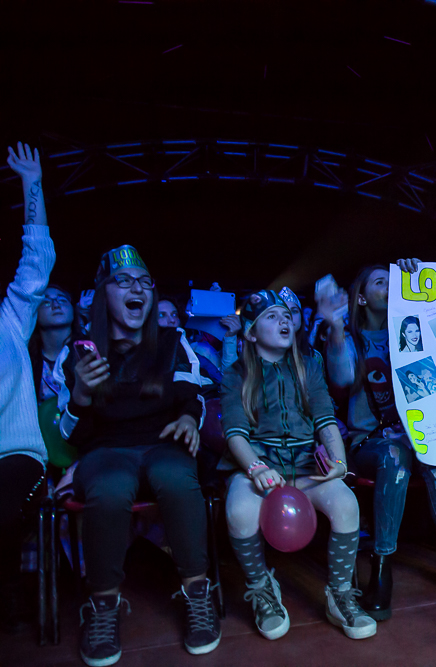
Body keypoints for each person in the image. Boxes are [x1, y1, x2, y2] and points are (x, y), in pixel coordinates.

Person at [59, 245, 220, 665]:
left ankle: (197, 595)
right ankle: (103, 607)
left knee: (175, 476)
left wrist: (188, 420)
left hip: (164, 442)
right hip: (107, 449)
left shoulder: (172, 341)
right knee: (110, 487)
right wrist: (79, 394)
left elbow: (196, 397)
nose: (138, 289)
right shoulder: (78, 352)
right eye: (124, 281)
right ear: (101, 294)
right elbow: (68, 433)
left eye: (145, 282)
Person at [321, 263, 436, 617]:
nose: (391, 285)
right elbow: (340, 378)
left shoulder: (416, 331)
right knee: (395, 456)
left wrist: (419, 279)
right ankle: (381, 566)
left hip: (418, 437)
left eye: (393, 280)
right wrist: (335, 328)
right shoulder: (351, 338)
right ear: (363, 297)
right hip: (369, 442)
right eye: (382, 281)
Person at [221, 290, 375, 641]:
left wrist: (338, 461)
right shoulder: (235, 373)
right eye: (272, 317)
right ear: (250, 332)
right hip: (260, 464)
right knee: (240, 511)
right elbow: (234, 433)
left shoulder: (309, 365)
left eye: (287, 315)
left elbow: (326, 419)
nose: (285, 320)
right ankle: (262, 590)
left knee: (347, 504)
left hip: (305, 465)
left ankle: (339, 596)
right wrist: (256, 469)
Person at [0, 143, 55, 634]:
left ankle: (10, 593)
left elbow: (38, 262)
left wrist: (30, 184)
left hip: (17, 457)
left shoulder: (9, 320)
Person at [29, 284, 76, 404]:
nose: (56, 305)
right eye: (46, 302)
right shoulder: (27, 360)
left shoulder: (88, 351)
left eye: (62, 300)